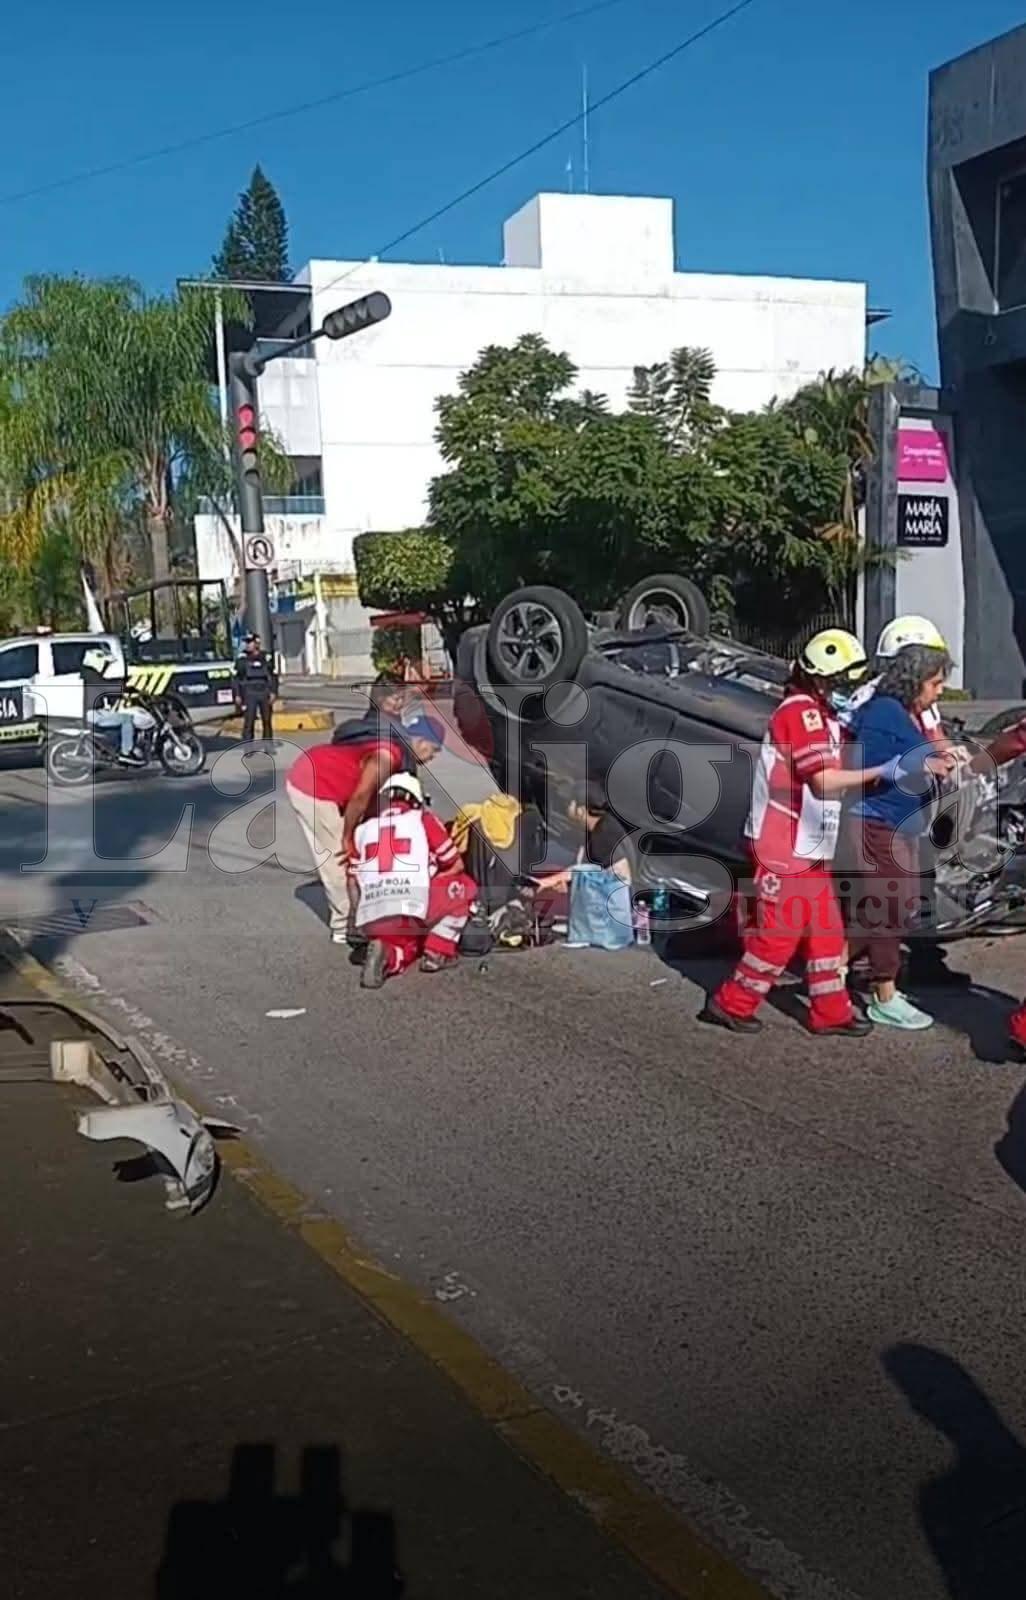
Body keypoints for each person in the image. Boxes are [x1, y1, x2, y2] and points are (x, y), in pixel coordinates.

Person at [701, 628, 892, 1037]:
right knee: (779, 933)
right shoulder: (800, 714)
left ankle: (831, 1011)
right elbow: (822, 781)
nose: (848, 690)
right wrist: (881, 772)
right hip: (781, 842)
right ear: (821, 681)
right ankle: (731, 1003)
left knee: (826, 931)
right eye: (842, 682)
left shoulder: (822, 716)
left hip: (806, 841)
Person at [839, 615, 968, 989]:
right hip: (878, 813)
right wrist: (923, 763)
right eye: (935, 679)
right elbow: (866, 760)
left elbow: (933, 733)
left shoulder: (914, 698)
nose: (940, 688)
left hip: (908, 812)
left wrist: (951, 757)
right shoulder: (875, 704)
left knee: (909, 894)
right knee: (884, 899)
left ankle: (909, 960)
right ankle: (860, 971)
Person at [285, 714, 445, 944]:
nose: (432, 758)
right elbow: (360, 797)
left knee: (359, 849)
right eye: (434, 750)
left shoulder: (400, 757)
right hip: (313, 783)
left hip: (334, 780)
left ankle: (364, 908)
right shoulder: (389, 755)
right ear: (421, 741)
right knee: (338, 857)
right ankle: (344, 925)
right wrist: (347, 837)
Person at [351, 773, 476, 988]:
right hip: (411, 909)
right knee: (464, 886)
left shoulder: (362, 830)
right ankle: (438, 951)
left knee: (404, 948)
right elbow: (455, 865)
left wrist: (359, 921)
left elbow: (353, 882)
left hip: (373, 915)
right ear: (417, 800)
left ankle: (388, 954)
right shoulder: (423, 820)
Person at [234, 633, 277, 751]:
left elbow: (273, 676)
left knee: (267, 721)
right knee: (249, 721)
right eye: (246, 642)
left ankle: (268, 746)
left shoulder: (266, 657)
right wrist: (237, 694)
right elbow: (236, 679)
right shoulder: (242, 659)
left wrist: (273, 691)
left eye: (250, 642)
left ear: (257, 643)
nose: (248, 645)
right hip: (249, 692)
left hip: (264, 691)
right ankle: (248, 748)